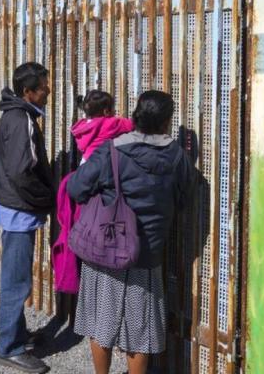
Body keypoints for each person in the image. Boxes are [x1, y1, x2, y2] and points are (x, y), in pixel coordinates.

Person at [68, 90, 199, 374]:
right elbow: (185, 199)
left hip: (107, 247)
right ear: (166, 122)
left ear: (137, 116)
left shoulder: (112, 150)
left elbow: (76, 188)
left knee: (101, 324)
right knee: (139, 332)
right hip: (147, 254)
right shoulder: (178, 157)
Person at [0, 62, 54, 374]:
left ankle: (15, 336)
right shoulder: (21, 120)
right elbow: (20, 171)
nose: (48, 90)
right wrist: (45, 197)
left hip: (12, 206)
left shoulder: (16, 114)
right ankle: (10, 348)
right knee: (16, 282)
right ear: (28, 92)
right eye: (43, 86)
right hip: (19, 210)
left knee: (15, 277)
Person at [52, 90, 133, 295]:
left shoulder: (82, 127)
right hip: (100, 167)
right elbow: (132, 126)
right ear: (107, 110)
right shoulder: (111, 123)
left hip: (84, 165)